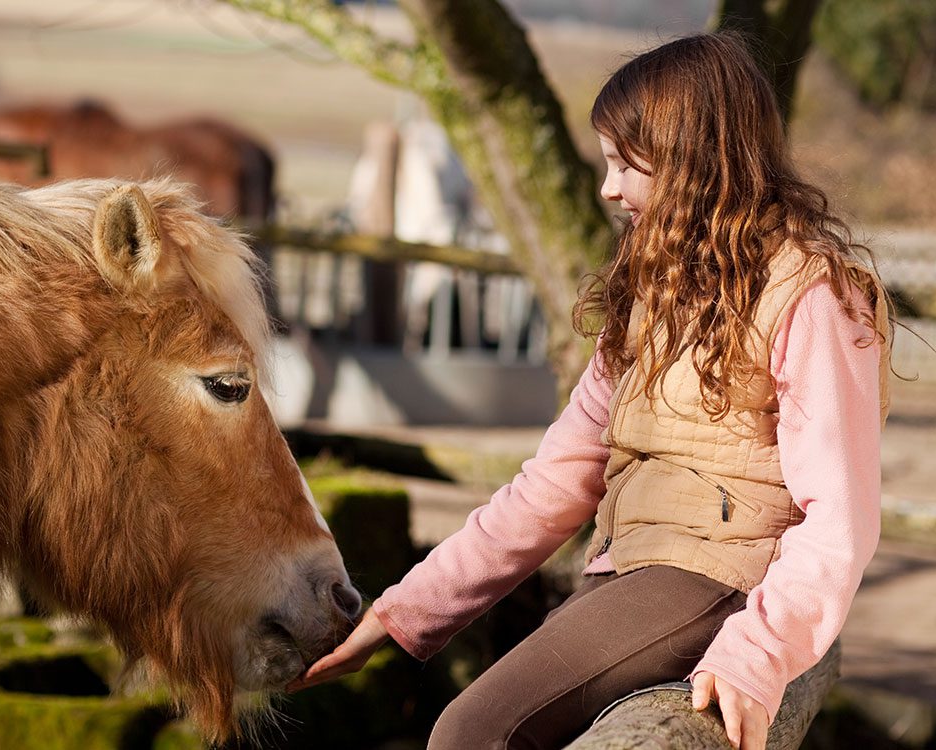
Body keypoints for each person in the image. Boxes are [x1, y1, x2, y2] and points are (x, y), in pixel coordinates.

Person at [290, 32, 893, 750]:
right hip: (626, 568)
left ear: (689, 156)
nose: (607, 189)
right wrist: (404, 612)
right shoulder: (653, 290)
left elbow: (841, 519)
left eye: (622, 164)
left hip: (715, 573)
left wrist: (755, 656)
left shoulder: (811, 294)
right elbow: (551, 484)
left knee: (472, 732)